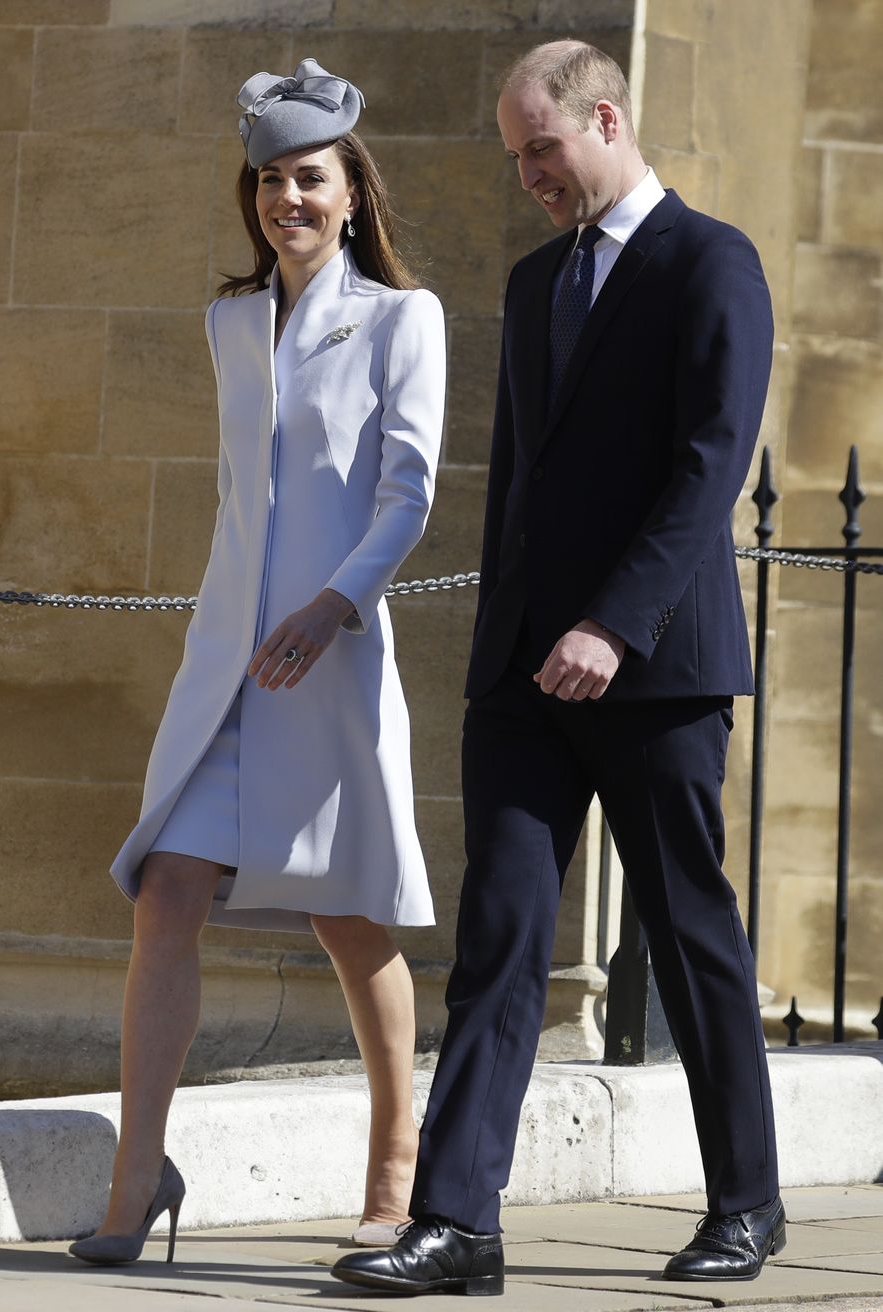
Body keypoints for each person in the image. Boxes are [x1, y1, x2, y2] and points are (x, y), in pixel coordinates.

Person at [332, 39, 784, 1296]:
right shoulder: (534, 284)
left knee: (692, 938)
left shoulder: (711, 261)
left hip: (654, 674)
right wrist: (501, 657)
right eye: (514, 155)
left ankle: (746, 1203)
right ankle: (456, 1223)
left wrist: (613, 624)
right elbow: (517, 497)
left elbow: (708, 468)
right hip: (526, 683)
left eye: (540, 147)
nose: (526, 172)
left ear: (603, 116)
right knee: (498, 940)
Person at [69, 58, 446, 1266]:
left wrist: (332, 607)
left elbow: (407, 493)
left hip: (325, 662)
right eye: (270, 179)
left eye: (310, 179)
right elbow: (245, 503)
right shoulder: (231, 323)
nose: (287, 196)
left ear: (350, 193)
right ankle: (136, 1177)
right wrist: (239, 629)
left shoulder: (402, 318)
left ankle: (395, 1174)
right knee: (167, 891)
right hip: (225, 666)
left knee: (347, 918)